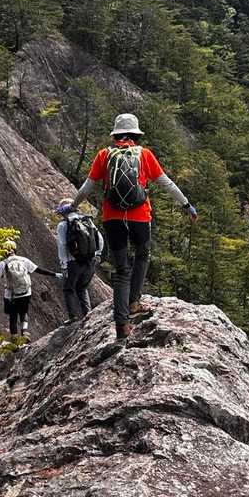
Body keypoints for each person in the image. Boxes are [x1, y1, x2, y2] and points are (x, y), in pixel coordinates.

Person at [69, 113, 197, 341]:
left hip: (112, 218)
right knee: (142, 255)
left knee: (121, 270)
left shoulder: (104, 155)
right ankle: (134, 302)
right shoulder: (144, 154)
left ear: (116, 134)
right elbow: (166, 183)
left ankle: (122, 326)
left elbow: (88, 186)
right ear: (135, 134)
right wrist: (186, 204)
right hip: (139, 216)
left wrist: (72, 206)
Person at [0, 240, 59, 339]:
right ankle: (24, 333)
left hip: (11, 295)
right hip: (26, 293)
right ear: (15, 249)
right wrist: (55, 274)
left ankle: (15, 339)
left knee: (13, 316)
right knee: (23, 312)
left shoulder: (3, 263)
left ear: (4, 252)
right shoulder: (24, 260)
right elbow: (39, 270)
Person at [54, 197, 103, 322]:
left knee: (68, 289)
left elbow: (62, 245)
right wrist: (97, 254)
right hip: (90, 260)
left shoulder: (63, 225)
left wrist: (64, 265)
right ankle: (88, 316)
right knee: (82, 288)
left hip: (73, 262)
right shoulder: (87, 221)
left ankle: (73, 317)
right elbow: (100, 239)